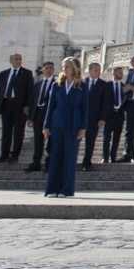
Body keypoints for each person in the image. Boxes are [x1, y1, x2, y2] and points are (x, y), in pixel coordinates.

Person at [43, 57, 87, 198]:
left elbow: (85, 109)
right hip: (57, 124)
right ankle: (52, 189)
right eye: (63, 66)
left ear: (74, 68)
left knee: (69, 158)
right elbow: (50, 107)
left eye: (67, 66)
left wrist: (83, 128)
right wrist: (46, 126)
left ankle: (66, 189)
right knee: (55, 156)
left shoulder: (82, 85)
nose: (64, 69)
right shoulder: (57, 85)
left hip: (74, 125)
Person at [0, 53, 33, 164]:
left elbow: (30, 92)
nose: (18, 61)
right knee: (6, 132)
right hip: (6, 105)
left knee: (18, 133)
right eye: (16, 59)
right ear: (11, 60)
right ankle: (4, 155)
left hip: (20, 107)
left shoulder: (27, 73)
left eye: (20, 59)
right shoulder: (3, 74)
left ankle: (15, 156)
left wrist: (27, 106)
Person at [22, 61, 55, 173]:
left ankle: (49, 164)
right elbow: (32, 102)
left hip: (50, 116)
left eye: (51, 68)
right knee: (37, 140)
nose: (49, 70)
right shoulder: (37, 84)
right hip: (37, 115)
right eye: (47, 68)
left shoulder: (57, 84)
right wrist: (30, 118)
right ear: (43, 70)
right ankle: (36, 163)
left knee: (51, 141)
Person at [79, 62, 111, 172]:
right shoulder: (82, 83)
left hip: (94, 119)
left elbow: (106, 103)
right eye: (96, 69)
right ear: (90, 70)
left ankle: (86, 163)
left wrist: (102, 118)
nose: (98, 72)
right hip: (80, 118)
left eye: (99, 70)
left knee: (90, 142)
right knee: (75, 140)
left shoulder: (104, 85)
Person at [102, 66, 127, 164]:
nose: (121, 74)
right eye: (119, 72)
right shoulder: (106, 85)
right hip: (108, 116)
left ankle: (113, 158)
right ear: (114, 73)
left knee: (116, 139)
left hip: (119, 117)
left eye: (122, 72)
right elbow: (103, 102)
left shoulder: (124, 86)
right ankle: (105, 158)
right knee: (106, 138)